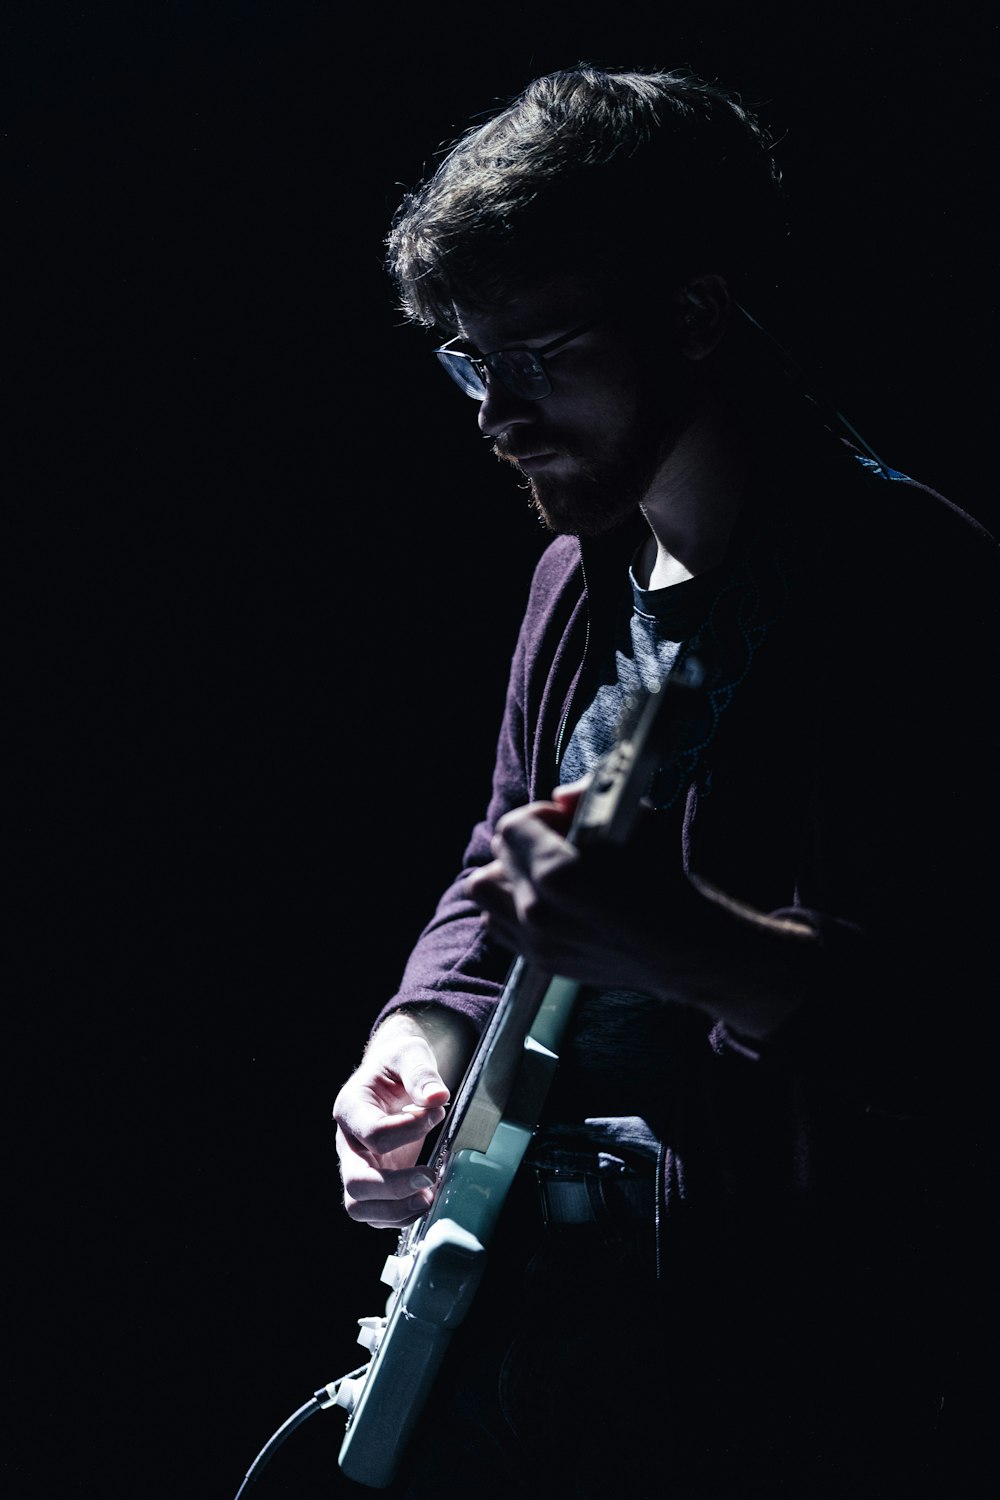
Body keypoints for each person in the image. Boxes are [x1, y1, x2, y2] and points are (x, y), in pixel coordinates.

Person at [333, 66, 997, 1499]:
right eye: (466, 361)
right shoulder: (579, 580)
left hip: (826, 1399)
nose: (494, 409)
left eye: (540, 354)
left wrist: (684, 943)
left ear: (693, 319)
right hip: (603, 1367)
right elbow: (500, 863)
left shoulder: (911, 594)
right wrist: (425, 1036)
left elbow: (957, 1029)